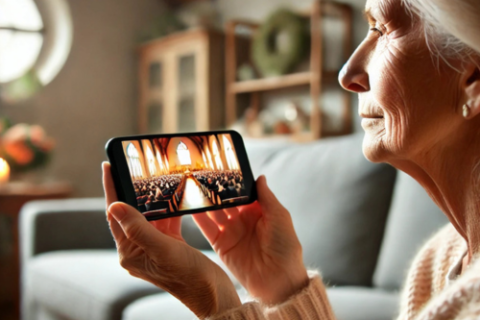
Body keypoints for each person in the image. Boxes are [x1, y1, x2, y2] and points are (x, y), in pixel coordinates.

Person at [102, 0, 480, 318]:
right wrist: (285, 286)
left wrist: (213, 298)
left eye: (381, 30)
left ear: (472, 77)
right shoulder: (441, 258)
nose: (348, 74)